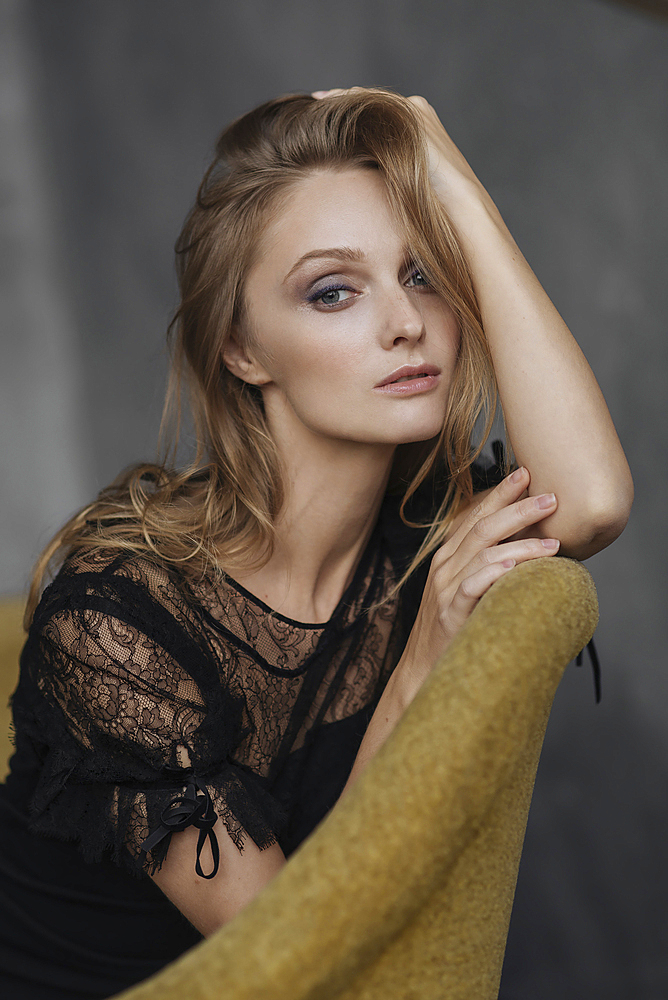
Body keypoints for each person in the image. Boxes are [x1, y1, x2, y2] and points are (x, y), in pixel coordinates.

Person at [0, 87, 632, 999]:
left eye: (424, 275)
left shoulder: (423, 532)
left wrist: (456, 190)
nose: (406, 323)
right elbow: (298, 952)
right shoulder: (116, 620)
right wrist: (419, 660)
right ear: (243, 350)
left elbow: (597, 501)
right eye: (332, 291)